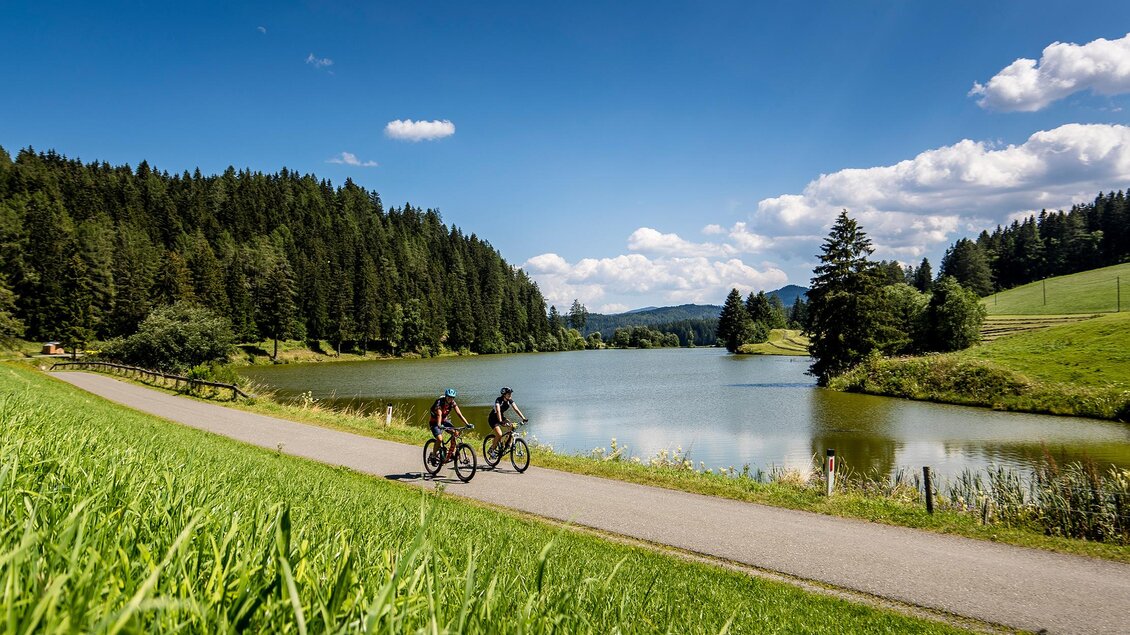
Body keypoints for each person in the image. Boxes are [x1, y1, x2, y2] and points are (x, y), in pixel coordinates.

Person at [430, 388, 471, 462]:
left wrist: (467, 424)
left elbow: (459, 414)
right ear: (446, 396)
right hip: (435, 422)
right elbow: (439, 414)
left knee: (456, 433)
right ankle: (433, 455)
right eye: (449, 397)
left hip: (444, 421)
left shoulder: (452, 403)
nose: (450, 399)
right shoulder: (439, 402)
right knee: (439, 439)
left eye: (452, 398)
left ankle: (451, 452)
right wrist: (439, 425)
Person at [487, 386, 527, 459]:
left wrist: (523, 418)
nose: (510, 395)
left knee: (511, 426)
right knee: (499, 434)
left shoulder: (510, 400)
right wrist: (500, 421)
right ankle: (491, 449)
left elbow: (516, 409)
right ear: (504, 394)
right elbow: (498, 411)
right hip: (493, 419)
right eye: (509, 394)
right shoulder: (499, 400)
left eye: (511, 393)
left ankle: (506, 443)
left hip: (501, 417)